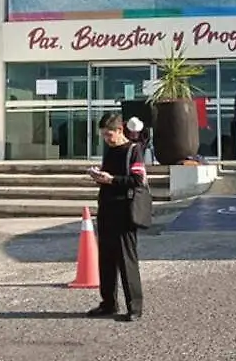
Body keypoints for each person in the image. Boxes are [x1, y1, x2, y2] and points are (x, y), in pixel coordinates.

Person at [86, 112, 146, 322]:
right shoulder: (109, 151)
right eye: (103, 135)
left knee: (126, 260)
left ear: (120, 130)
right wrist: (98, 176)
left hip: (124, 211)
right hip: (106, 209)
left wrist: (112, 180)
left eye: (109, 134)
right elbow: (108, 177)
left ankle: (135, 307)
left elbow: (137, 180)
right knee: (106, 259)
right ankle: (108, 303)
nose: (106, 139)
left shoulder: (133, 150)